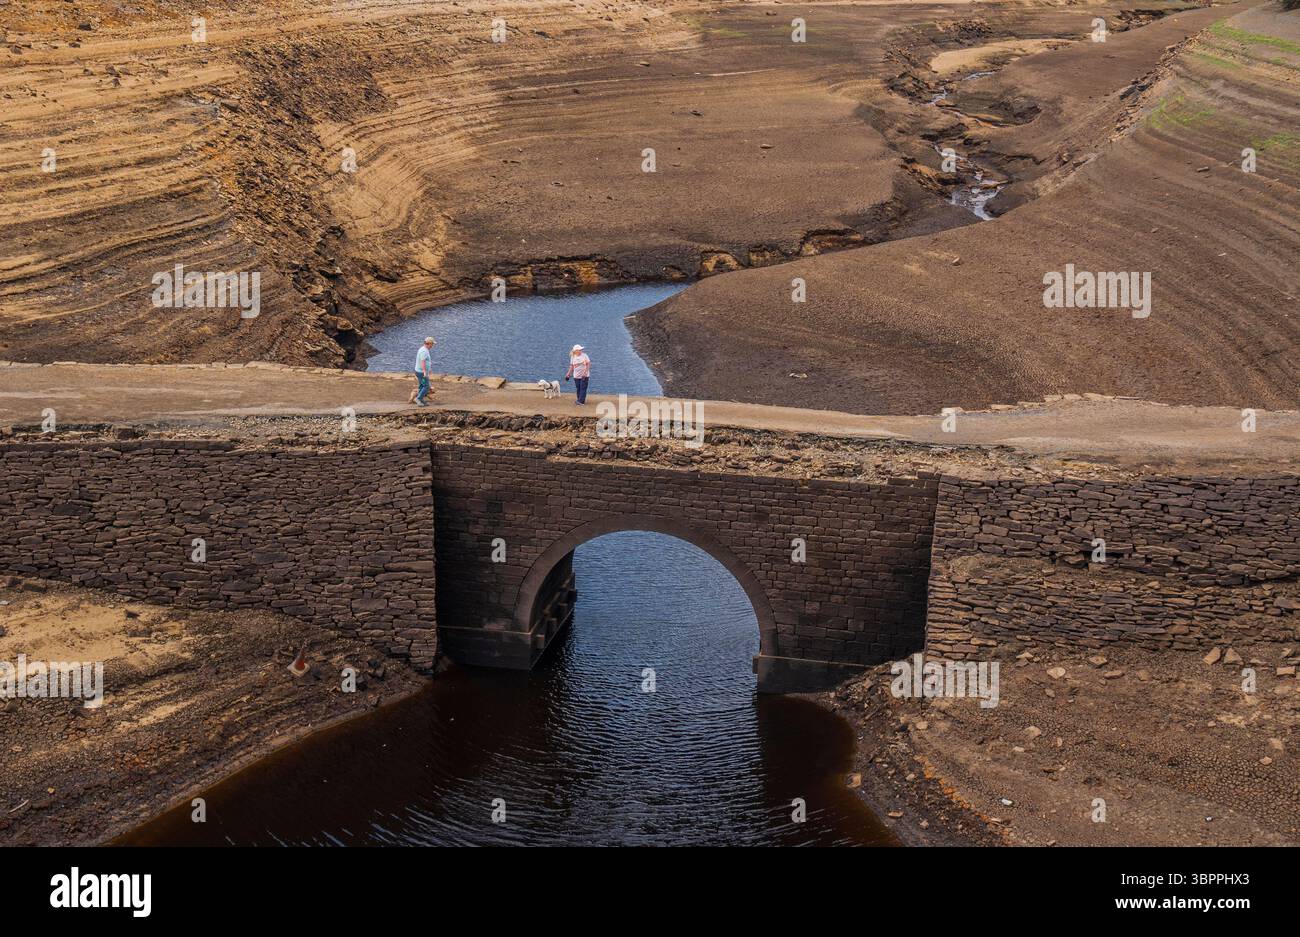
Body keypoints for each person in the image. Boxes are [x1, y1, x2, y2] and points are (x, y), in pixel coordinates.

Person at [411, 336, 436, 407]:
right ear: (429, 343)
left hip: (420, 371)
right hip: (421, 372)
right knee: (426, 386)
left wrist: (429, 369)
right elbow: (423, 362)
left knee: (422, 385)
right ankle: (418, 399)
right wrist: (425, 372)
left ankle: (421, 399)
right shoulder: (424, 351)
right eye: (432, 344)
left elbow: (426, 361)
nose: (432, 345)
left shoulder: (424, 349)